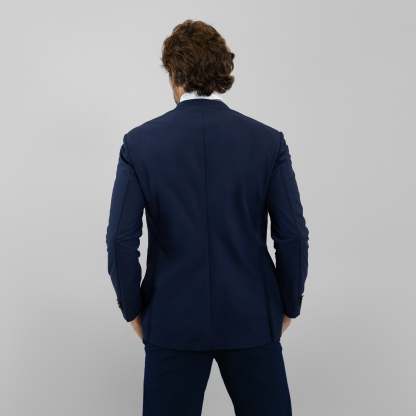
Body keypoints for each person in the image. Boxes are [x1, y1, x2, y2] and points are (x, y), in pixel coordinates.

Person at [106, 19, 309, 416]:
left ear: (174, 74)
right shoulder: (267, 142)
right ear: (221, 71)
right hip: (252, 314)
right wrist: (288, 304)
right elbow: (292, 235)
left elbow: (120, 239)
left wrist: (133, 308)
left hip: (171, 317)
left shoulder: (140, 144)